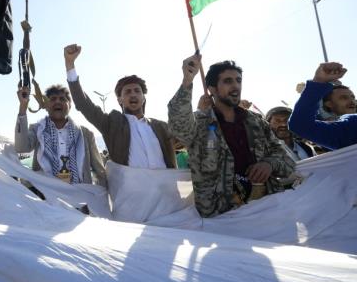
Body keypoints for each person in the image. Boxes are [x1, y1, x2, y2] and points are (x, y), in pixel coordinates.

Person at [168, 55, 295, 217]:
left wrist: (269, 164)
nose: (235, 86)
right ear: (212, 89)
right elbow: (179, 126)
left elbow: (285, 157)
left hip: (267, 208)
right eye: (228, 81)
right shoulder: (199, 124)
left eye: (238, 80)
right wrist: (187, 80)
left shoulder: (256, 122)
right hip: (222, 217)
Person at [64, 44, 176, 169]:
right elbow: (83, 103)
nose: (133, 95)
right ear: (119, 100)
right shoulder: (112, 124)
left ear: (144, 98)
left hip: (166, 187)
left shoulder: (161, 127)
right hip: (131, 188)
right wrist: (70, 64)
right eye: (127, 92)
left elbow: (187, 137)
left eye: (137, 91)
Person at [15, 84, 106, 186]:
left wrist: (101, 197)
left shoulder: (85, 134)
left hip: (81, 197)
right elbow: (21, 147)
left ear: (70, 106)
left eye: (62, 99)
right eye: (53, 99)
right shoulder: (37, 130)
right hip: (46, 197)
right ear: (45, 106)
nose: (57, 101)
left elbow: (100, 171)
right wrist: (23, 107)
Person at [288, 62, 357, 150]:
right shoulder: (351, 126)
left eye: (353, 97)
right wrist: (318, 82)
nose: (352, 101)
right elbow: (300, 125)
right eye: (343, 98)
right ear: (329, 104)